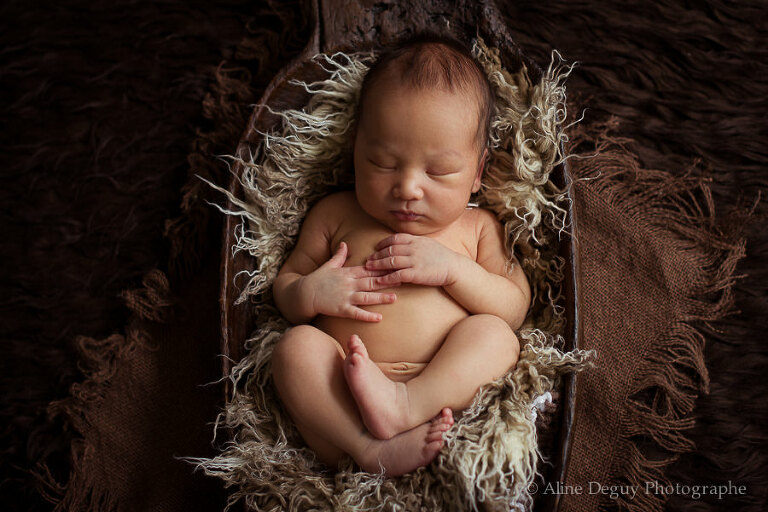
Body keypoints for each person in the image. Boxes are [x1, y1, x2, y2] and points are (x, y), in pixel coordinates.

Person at [271, 34, 530, 477]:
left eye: (438, 171)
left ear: (478, 172)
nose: (408, 188)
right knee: (294, 349)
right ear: (355, 152)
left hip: (444, 399)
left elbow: (514, 306)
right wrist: (311, 293)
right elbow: (286, 289)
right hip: (342, 404)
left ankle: (403, 407)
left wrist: (454, 270)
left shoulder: (476, 227)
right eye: (384, 163)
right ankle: (369, 449)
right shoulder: (335, 214)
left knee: (496, 337)